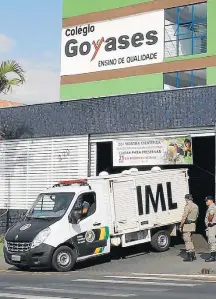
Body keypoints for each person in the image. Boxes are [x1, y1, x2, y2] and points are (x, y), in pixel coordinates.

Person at [180, 194, 199, 262]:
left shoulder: (188, 206)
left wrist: (181, 225)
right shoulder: (196, 206)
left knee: (187, 240)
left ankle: (189, 257)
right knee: (190, 240)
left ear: (186, 199)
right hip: (193, 224)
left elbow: (184, 217)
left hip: (187, 225)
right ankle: (193, 255)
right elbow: (196, 216)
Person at [204, 196, 216, 262]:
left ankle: (213, 257)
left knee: (212, 241)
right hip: (213, 225)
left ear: (210, 200)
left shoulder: (211, 206)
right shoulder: (213, 206)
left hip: (211, 226)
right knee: (212, 240)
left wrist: (208, 221)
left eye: (207, 201)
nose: (206, 202)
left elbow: (211, 214)